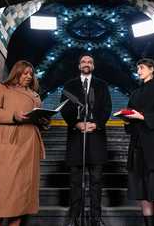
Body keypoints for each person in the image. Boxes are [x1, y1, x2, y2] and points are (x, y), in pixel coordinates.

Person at [0, 60, 46, 226]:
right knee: (1, 186)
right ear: (16, 73)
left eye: (31, 73)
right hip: (7, 143)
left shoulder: (35, 95)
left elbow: (37, 119)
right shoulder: (3, 88)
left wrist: (43, 121)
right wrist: (13, 116)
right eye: (25, 73)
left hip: (29, 146)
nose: (28, 76)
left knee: (21, 191)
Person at [60, 53, 112, 226]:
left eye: (90, 61)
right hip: (76, 138)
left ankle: (97, 217)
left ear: (93, 66)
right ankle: (74, 217)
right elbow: (64, 107)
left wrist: (96, 124)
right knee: (75, 181)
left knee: (96, 180)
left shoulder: (102, 85)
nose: (86, 63)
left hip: (96, 138)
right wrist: (76, 124)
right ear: (79, 65)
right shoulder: (69, 85)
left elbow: (107, 108)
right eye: (83, 61)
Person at [121, 58, 154, 226]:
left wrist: (142, 116)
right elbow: (130, 119)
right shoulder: (135, 93)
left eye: (142, 67)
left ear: (152, 69)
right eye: (138, 68)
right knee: (142, 195)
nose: (138, 71)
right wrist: (127, 119)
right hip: (137, 149)